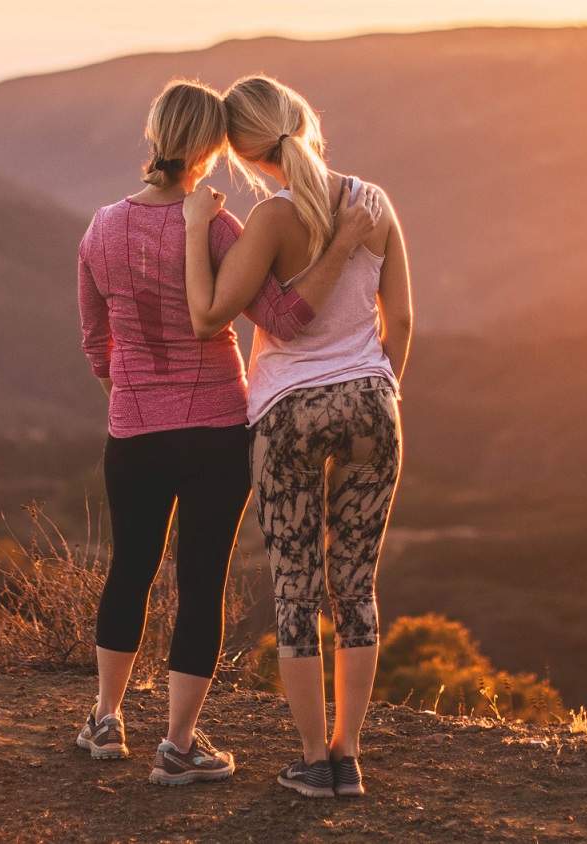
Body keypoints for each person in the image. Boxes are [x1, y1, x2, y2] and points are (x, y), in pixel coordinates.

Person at [74, 78, 379, 787]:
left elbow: (95, 339)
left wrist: (128, 392)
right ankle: (178, 745)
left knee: (130, 568)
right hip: (216, 431)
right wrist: (341, 251)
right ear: (212, 149)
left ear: (153, 138)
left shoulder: (101, 229)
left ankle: (106, 719)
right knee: (200, 581)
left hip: (135, 429)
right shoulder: (218, 229)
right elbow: (284, 319)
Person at [182, 74, 412, 798]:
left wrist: (196, 231)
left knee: (296, 588)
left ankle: (315, 759)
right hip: (374, 403)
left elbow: (220, 313)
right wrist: (382, 389)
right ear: (304, 119)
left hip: (289, 415)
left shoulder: (273, 222)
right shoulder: (373, 203)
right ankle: (350, 754)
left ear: (246, 156)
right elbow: (400, 321)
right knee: (356, 585)